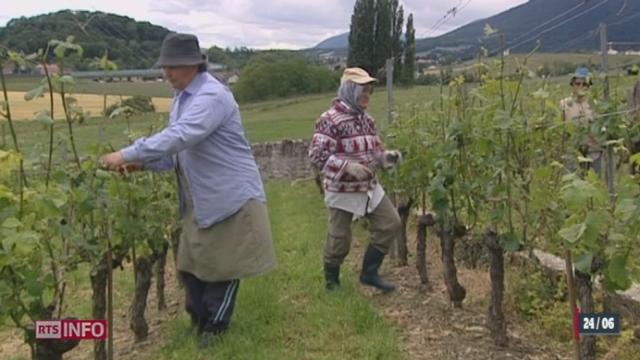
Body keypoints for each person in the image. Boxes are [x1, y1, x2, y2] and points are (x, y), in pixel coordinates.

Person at [99, 33, 276, 347]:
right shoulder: (182, 98)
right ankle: (199, 320)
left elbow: (181, 135)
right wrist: (146, 164)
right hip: (199, 197)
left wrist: (128, 153)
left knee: (224, 267)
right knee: (191, 269)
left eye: (173, 66)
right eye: (164, 66)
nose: (166, 73)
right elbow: (179, 152)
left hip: (229, 196)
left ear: (194, 65)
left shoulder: (212, 95)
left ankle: (216, 329)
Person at [308, 67, 403, 294]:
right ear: (349, 90)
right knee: (339, 240)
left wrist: (387, 158)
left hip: (369, 187)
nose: (367, 95)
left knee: (390, 223)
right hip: (342, 189)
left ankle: (369, 273)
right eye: (363, 90)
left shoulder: (367, 120)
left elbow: (375, 152)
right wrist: (347, 167)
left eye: (370, 91)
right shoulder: (329, 120)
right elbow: (316, 155)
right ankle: (332, 282)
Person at [560, 67, 602, 175]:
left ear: (589, 86)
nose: (581, 86)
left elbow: (600, 129)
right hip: (572, 152)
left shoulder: (595, 104)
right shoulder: (564, 104)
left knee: (593, 184)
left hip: (593, 151)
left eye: (585, 84)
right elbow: (561, 129)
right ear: (572, 85)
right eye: (578, 83)